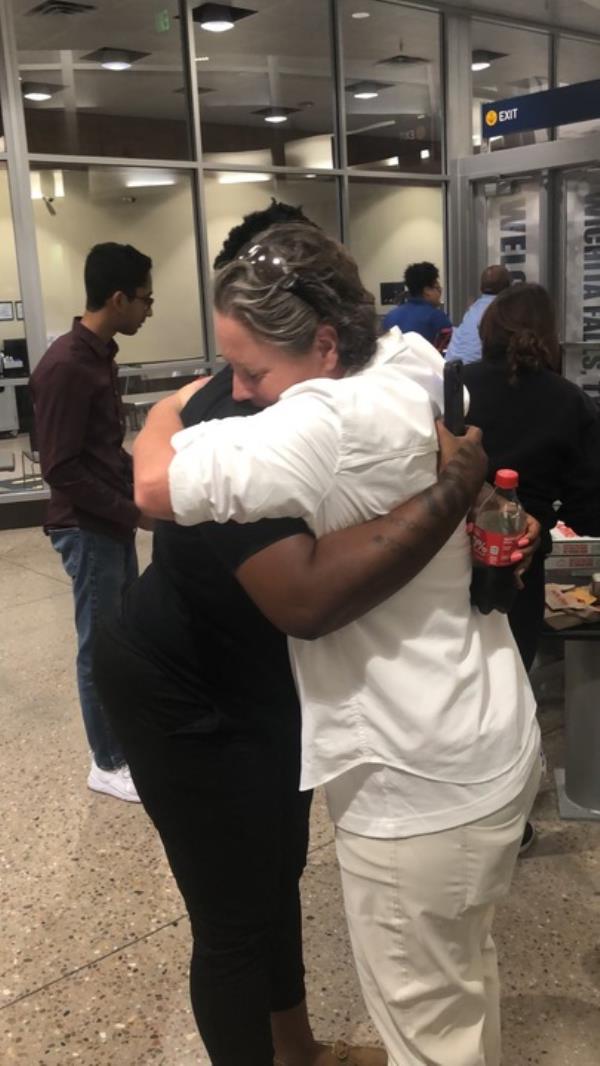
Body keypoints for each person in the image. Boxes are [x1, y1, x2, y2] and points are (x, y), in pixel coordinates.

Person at [91, 217, 501, 1063]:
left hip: (269, 687)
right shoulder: (250, 421)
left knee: (275, 880)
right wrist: (461, 481)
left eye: (247, 366)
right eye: (228, 366)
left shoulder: (368, 381)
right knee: (234, 918)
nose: (234, 386)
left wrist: (476, 489)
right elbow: (302, 597)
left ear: (326, 340)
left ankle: (298, 1049)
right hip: (182, 690)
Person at [464, 282, 600, 853]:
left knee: (458, 683)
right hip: (523, 564)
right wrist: (543, 517)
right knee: (510, 686)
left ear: (488, 329)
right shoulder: (570, 401)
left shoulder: (457, 389)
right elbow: (590, 500)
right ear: (547, 336)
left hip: (446, 557)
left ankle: (455, 811)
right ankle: (509, 821)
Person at [30, 241, 154, 803]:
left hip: (110, 522)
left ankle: (123, 742)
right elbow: (61, 468)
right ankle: (105, 762)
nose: (150, 310)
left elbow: (102, 452)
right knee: (98, 646)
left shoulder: (100, 356)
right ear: (118, 297)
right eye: (145, 300)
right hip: (85, 527)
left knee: (121, 638)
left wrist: (146, 480)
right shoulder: (66, 366)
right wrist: (131, 510)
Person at [445, 264, 511, 363]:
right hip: (475, 372)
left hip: (450, 368)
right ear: (509, 287)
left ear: (481, 288)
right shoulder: (505, 311)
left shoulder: (473, 310)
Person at [382, 260, 452, 351]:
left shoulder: (390, 316)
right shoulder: (437, 317)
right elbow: (450, 351)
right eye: (437, 288)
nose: (440, 292)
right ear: (427, 290)